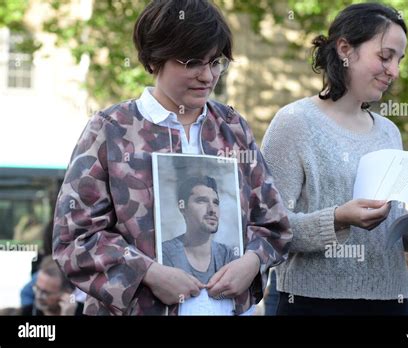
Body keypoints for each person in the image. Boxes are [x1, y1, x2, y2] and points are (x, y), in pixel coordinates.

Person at [53, 0, 291, 316]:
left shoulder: (233, 128)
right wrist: (147, 273)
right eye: (193, 62)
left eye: (216, 62)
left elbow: (274, 223)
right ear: (155, 58)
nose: (207, 76)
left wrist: (252, 261)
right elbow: (74, 236)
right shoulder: (111, 129)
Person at [261, 2, 408, 315]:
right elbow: (270, 228)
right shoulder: (294, 121)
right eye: (385, 56)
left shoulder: (389, 132)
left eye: (399, 60)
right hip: (313, 305)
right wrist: (338, 218)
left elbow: (395, 236)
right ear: (345, 50)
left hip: (391, 304)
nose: (394, 71)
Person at [162, 176, 237, 282]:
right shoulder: (166, 254)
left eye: (215, 203)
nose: (212, 210)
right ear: (183, 208)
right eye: (202, 201)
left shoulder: (227, 255)